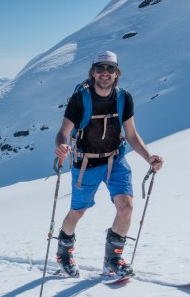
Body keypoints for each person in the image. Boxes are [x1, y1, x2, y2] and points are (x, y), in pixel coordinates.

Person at [54, 50, 163, 277]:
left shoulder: (124, 98)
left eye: (110, 68)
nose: (105, 73)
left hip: (116, 160)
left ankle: (113, 259)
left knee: (126, 207)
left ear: (117, 73)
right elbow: (63, 132)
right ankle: (64, 252)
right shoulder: (80, 99)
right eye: (100, 68)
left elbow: (131, 135)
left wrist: (149, 157)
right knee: (77, 212)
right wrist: (62, 146)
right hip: (87, 164)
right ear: (93, 72)